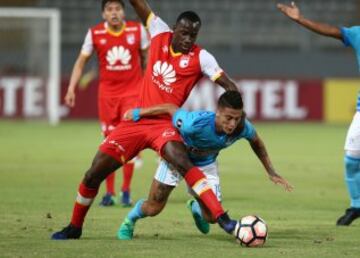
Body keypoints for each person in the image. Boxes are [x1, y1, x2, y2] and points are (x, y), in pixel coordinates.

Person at [51, 0, 241, 240]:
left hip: (164, 126)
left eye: (193, 35)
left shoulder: (201, 57)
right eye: (183, 33)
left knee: (183, 161)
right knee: (93, 174)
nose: (188, 40)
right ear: (174, 28)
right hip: (136, 122)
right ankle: (75, 227)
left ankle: (223, 220)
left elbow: (229, 85)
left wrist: (236, 113)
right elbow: (140, 6)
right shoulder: (159, 31)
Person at [117, 91, 293, 239]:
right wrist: (138, 112)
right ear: (218, 112)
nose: (232, 124)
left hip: (206, 165)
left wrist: (271, 171)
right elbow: (171, 108)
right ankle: (129, 221)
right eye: (229, 118)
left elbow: (257, 142)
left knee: (211, 217)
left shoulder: (242, 127)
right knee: (154, 208)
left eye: (237, 119)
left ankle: (195, 207)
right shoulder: (193, 124)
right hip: (177, 161)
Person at [277, 1, 360, 226]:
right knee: (352, 157)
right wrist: (299, 19)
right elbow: (330, 30)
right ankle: (356, 205)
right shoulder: (357, 34)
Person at [64, 0, 149, 207]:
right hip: (107, 97)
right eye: (109, 9)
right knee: (110, 143)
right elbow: (80, 62)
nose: (114, 13)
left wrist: (148, 89)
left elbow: (147, 59)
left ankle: (126, 191)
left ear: (123, 12)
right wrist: (71, 88)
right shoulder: (94, 34)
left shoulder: (137, 30)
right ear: (103, 14)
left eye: (118, 9)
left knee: (129, 140)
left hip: (132, 93)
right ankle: (109, 193)